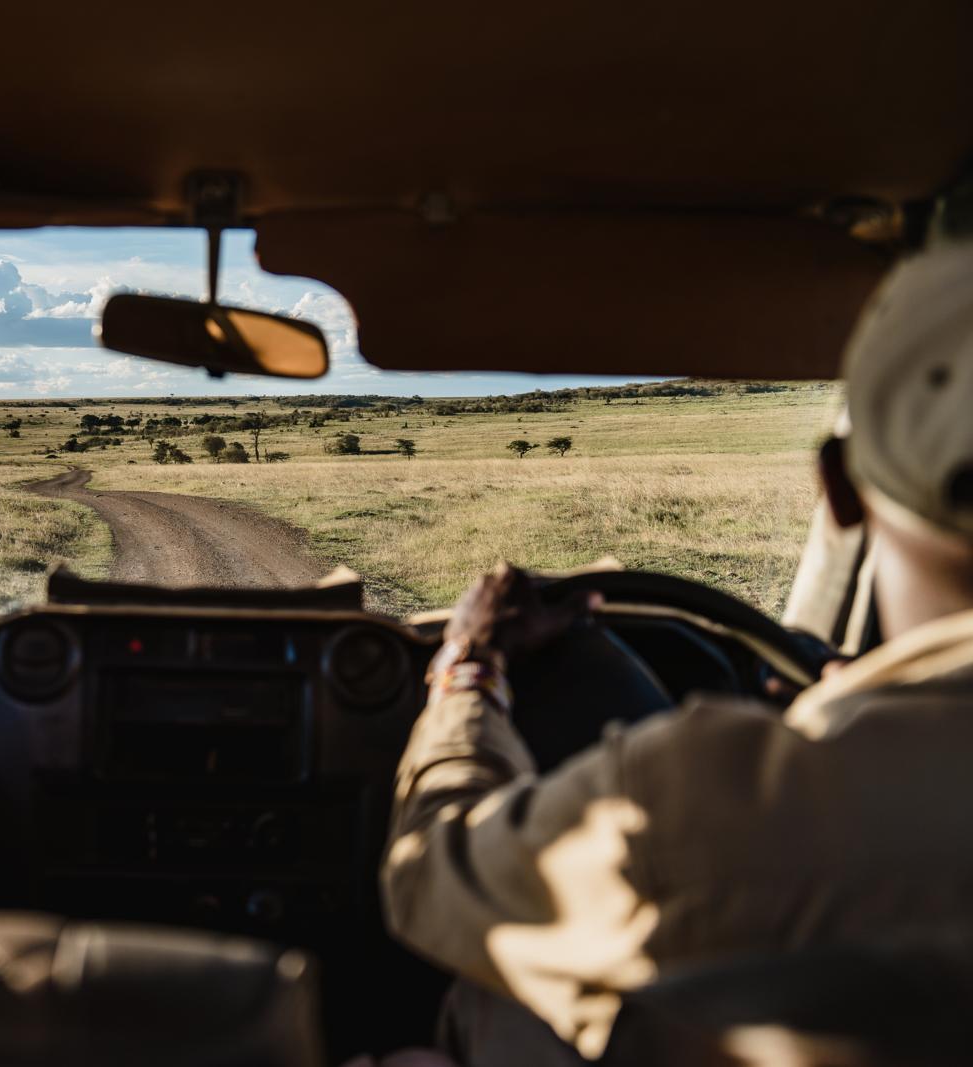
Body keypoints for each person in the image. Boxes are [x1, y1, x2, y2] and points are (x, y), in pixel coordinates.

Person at [381, 241, 973, 1060]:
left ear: (838, 486)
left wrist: (468, 669)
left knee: (484, 1009)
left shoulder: (691, 807)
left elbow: (429, 876)